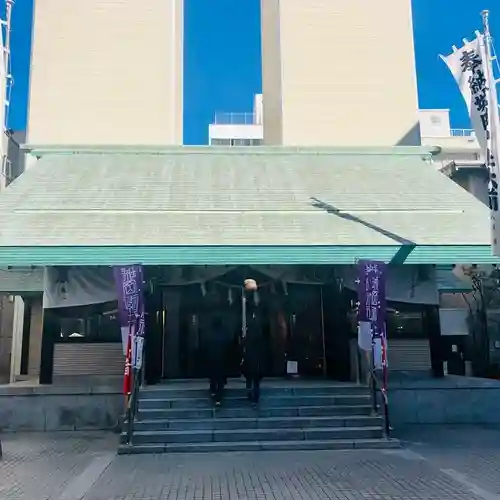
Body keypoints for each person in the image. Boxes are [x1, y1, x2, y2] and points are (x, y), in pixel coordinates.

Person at [242, 279, 265, 405]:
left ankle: (250, 393)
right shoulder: (259, 340)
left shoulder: (249, 339)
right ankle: (254, 396)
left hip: (251, 362)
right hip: (257, 363)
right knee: (255, 381)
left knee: (251, 379)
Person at [206, 314, 230, 406]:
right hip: (222, 358)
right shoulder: (224, 333)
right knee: (220, 378)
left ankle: (213, 390)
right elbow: (228, 344)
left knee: (213, 376)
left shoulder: (209, 332)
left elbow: (205, 345)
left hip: (212, 358)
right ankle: (218, 397)